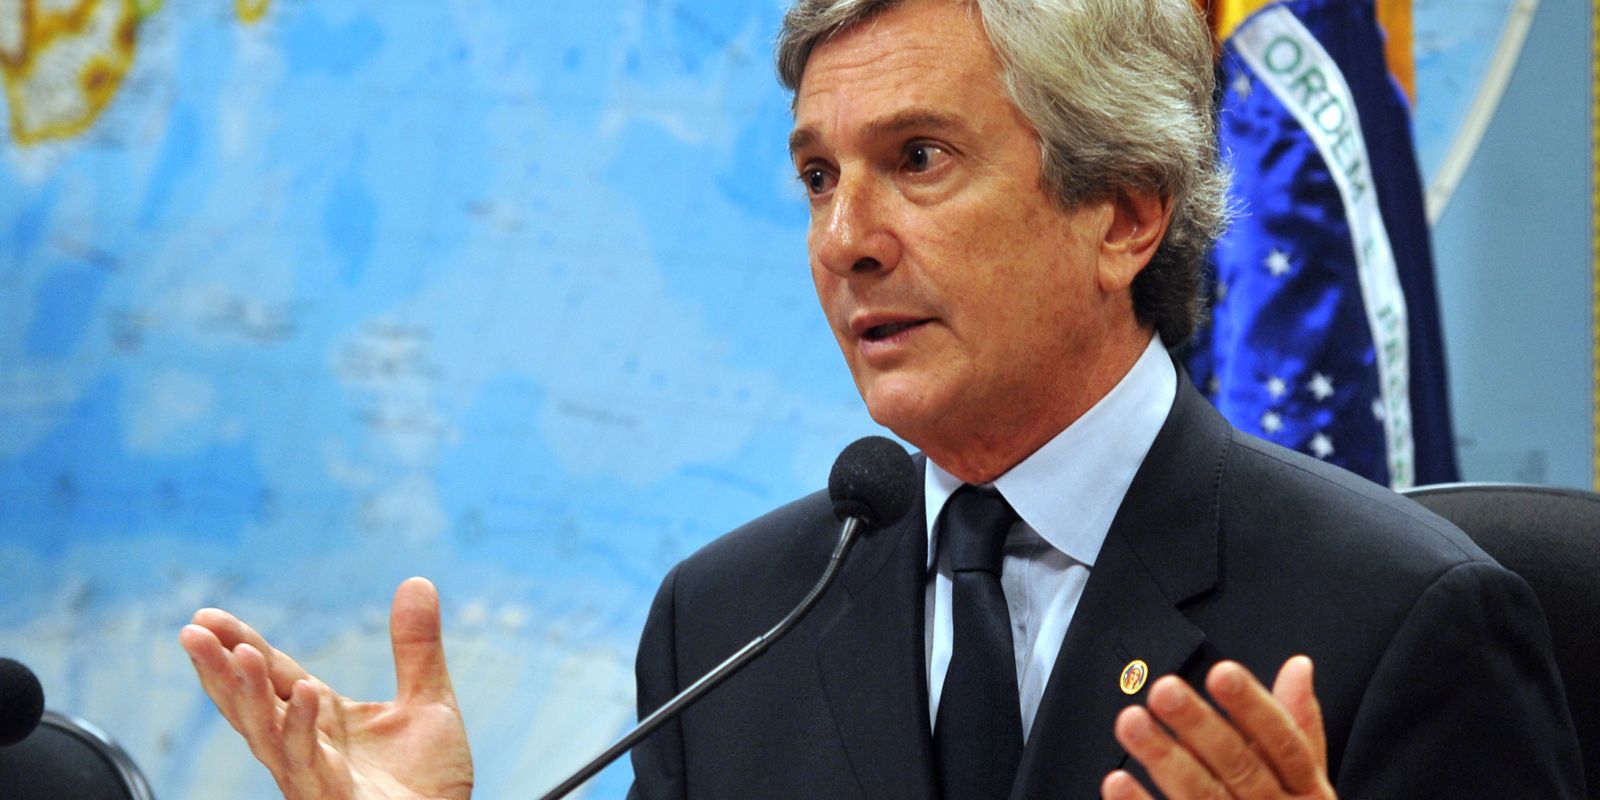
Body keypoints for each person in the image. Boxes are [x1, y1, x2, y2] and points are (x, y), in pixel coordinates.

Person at [181, 0, 1585, 798]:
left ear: (1124, 212)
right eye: (817, 175)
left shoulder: (1403, 620)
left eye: (917, 159)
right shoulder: (726, 624)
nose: (844, 239)